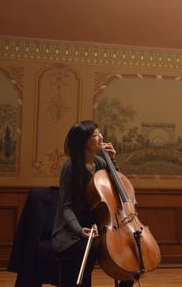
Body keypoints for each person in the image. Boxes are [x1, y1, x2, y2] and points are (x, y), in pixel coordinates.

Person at [51, 120, 134, 287]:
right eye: (95, 135)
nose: (101, 137)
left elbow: (118, 188)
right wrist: (79, 229)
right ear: (83, 142)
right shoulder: (71, 167)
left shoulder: (101, 163)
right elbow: (66, 207)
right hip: (71, 231)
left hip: (98, 226)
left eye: (99, 133)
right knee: (90, 250)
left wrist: (112, 161)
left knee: (126, 254)